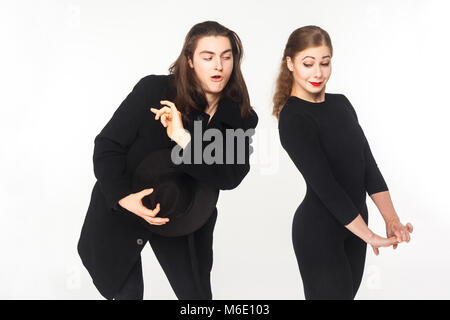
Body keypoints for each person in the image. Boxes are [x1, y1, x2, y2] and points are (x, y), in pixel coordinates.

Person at [77, 21, 258, 300]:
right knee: (126, 293)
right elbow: (107, 146)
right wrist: (123, 197)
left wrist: (183, 138)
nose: (218, 66)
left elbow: (230, 175)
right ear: (190, 60)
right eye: (208, 57)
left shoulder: (240, 116)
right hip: (123, 210)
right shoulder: (154, 90)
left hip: (186, 216)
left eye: (226, 56)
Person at [274, 25, 413, 300]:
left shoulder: (342, 104)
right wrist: (369, 235)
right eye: (308, 63)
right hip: (319, 232)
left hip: (355, 229)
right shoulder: (293, 118)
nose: (318, 73)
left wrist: (392, 219)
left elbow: (368, 168)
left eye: (325, 63)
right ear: (290, 63)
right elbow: (326, 187)